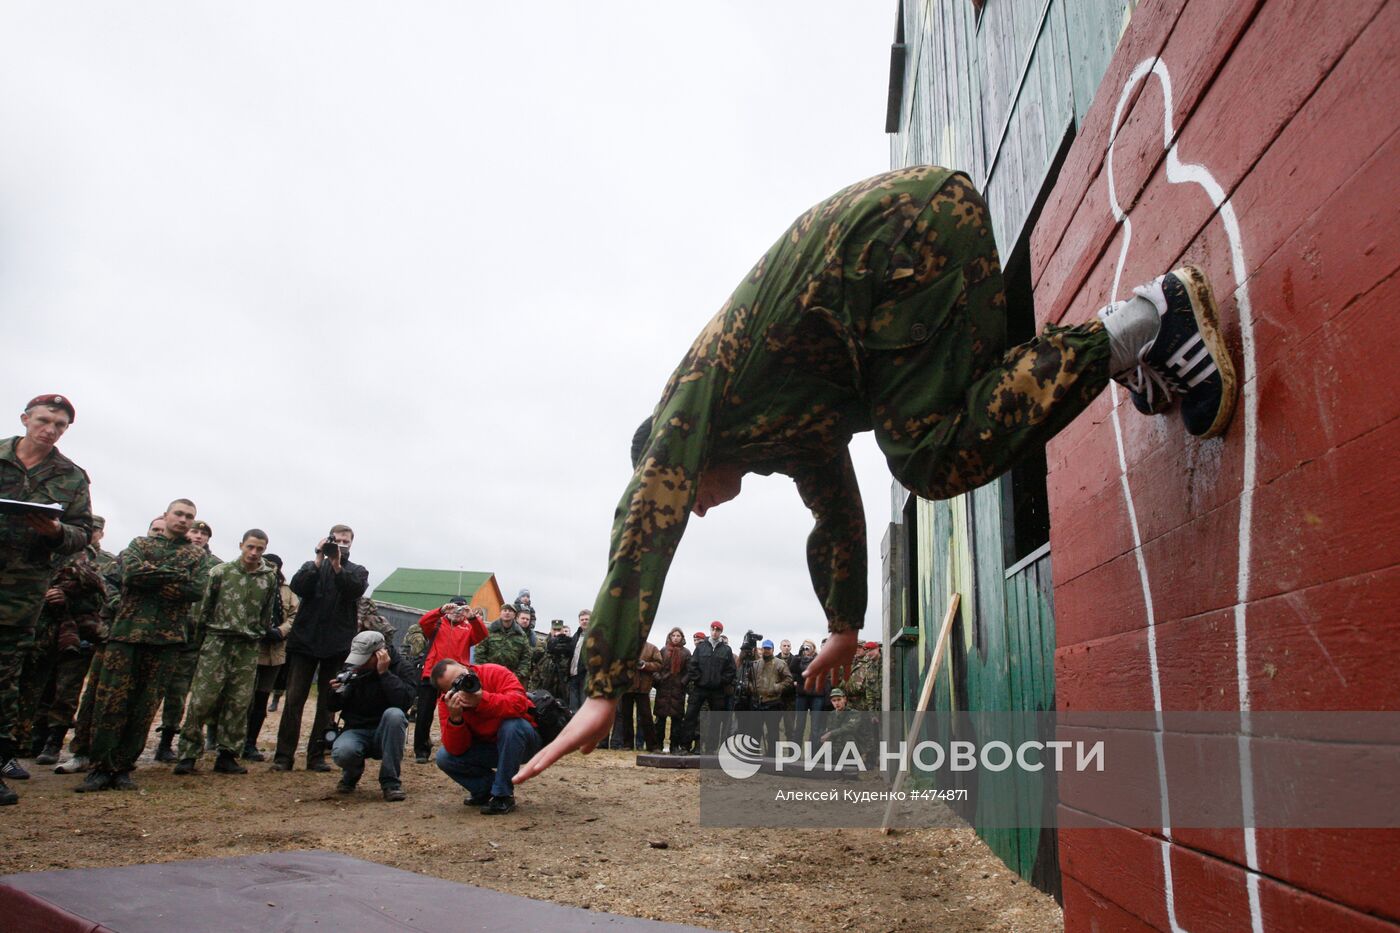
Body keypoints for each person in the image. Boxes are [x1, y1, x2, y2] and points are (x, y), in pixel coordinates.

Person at [516, 167, 1235, 782]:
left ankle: (1146, 320)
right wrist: (842, 622)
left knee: (927, 453)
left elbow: (649, 509)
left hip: (895, 245)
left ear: (683, 456)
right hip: (921, 233)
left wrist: (604, 685)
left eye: (691, 492)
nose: (697, 509)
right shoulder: (783, 425)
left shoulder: (693, 397)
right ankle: (1130, 341)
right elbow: (835, 510)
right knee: (966, 405)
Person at [0, 394, 92, 805]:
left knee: (3, 682)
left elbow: (82, 532)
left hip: (19, 595)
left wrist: (56, 533)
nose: (50, 429)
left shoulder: (71, 477)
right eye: (44, 420)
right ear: (25, 419)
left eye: (59, 424)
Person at [77, 499, 205, 793]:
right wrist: (175, 576)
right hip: (127, 635)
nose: (184, 520)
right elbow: (131, 574)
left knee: (144, 706)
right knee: (111, 703)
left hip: (166, 640)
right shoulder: (139, 545)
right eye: (179, 514)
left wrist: (153, 578)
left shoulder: (195, 555)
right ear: (166, 516)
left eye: (190, 516)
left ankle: (123, 767)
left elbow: (195, 589)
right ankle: (100, 767)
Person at [172, 530, 279, 776]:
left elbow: (266, 612)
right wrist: (201, 644)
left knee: (239, 702)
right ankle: (188, 754)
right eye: (250, 547)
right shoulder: (221, 572)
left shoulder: (268, 578)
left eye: (259, 549)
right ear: (241, 545)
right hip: (217, 641)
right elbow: (203, 609)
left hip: (247, 646)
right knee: (202, 699)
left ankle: (227, 754)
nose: (254, 553)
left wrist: (259, 634)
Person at [272, 524, 368, 772]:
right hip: (305, 642)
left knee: (327, 703)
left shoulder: (357, 571)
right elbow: (298, 587)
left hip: (336, 645)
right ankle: (283, 756)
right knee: (294, 699)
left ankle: (316, 756)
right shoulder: (310, 567)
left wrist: (336, 565)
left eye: (346, 541)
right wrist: (318, 557)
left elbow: (353, 590)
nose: (341, 544)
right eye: (337, 540)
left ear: (351, 544)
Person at [431, 658, 539, 815]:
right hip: (491, 748)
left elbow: (520, 704)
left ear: (465, 666)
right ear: (447, 692)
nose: (466, 683)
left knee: (512, 726)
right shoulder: (448, 703)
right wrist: (456, 719)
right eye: (457, 684)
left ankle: (503, 795)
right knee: (444, 757)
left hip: (523, 742)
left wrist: (483, 700)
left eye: (464, 675)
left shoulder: (494, 672)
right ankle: (485, 789)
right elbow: (456, 749)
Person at [154, 519, 220, 763]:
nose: (199, 536)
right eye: (195, 531)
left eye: (204, 534)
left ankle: (167, 742)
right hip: (160, 634)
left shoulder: (216, 567)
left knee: (179, 693)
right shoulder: (171, 556)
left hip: (193, 641)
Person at [326, 630, 413, 801]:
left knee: (394, 715)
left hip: (386, 733)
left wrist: (385, 674)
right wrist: (335, 692)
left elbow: (404, 703)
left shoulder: (402, 668)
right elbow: (333, 706)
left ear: (381, 654)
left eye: (365, 658)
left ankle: (390, 783)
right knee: (343, 752)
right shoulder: (352, 667)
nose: (361, 663)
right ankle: (352, 774)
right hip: (356, 730)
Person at [410, 599, 488, 764]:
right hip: (431, 672)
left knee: (461, 710)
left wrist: (472, 617)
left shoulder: (468, 627)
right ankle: (421, 750)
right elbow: (423, 622)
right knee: (424, 713)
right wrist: (440, 610)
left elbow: (482, 635)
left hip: (457, 676)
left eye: (460, 608)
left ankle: (460, 745)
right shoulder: (437, 624)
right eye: (453, 608)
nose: (456, 612)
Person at [243, 553, 296, 761]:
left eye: (274, 566)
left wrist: (281, 631)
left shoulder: (287, 591)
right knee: (240, 698)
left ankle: (250, 743)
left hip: (274, 652)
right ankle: (227, 740)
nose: (270, 568)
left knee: (261, 699)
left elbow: (294, 615)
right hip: (249, 648)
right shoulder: (249, 583)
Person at [681, 621, 736, 754]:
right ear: (710, 630)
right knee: (690, 716)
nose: (715, 632)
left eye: (718, 630)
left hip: (717, 691)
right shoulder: (701, 647)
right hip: (700, 688)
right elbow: (693, 665)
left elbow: (731, 670)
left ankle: (711, 749)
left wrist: (720, 681)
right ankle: (685, 746)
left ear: (721, 632)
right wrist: (699, 679)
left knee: (716, 720)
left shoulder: (726, 650)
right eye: (713, 629)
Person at [612, 638, 661, 751]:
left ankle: (652, 746)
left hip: (643, 688)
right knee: (626, 716)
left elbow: (659, 665)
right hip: (627, 687)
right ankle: (627, 744)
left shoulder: (652, 648)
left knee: (646, 717)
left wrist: (645, 665)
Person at [748, 639, 794, 754]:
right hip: (757, 702)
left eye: (768, 648)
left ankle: (772, 756)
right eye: (764, 648)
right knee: (755, 730)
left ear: (773, 649)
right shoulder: (755, 664)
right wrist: (751, 687)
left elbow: (789, 679)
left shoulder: (780, 663)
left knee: (773, 731)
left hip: (773, 702)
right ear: (761, 649)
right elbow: (747, 679)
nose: (766, 651)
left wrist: (777, 687)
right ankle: (753, 754)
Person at [653, 627, 691, 753]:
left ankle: (675, 746)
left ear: (682, 638)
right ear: (670, 637)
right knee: (660, 720)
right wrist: (658, 679)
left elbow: (689, 671)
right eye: (673, 635)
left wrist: (682, 682)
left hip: (677, 691)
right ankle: (658, 745)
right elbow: (656, 667)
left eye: (678, 636)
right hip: (663, 689)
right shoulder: (663, 650)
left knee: (677, 721)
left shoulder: (686, 653)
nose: (675, 638)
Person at [475, 603, 532, 684]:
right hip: (489, 676)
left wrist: (517, 676)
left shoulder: (521, 635)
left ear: (514, 615)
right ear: (500, 613)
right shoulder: (489, 630)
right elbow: (479, 653)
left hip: (510, 678)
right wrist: (484, 671)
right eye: (504, 610)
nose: (507, 613)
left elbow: (526, 658)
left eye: (510, 611)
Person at [790, 639, 828, 743]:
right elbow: (792, 668)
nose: (806, 649)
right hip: (802, 695)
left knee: (815, 727)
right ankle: (795, 755)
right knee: (799, 725)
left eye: (808, 647)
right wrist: (799, 654)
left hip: (816, 695)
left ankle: (813, 755)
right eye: (804, 647)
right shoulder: (798, 659)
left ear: (814, 649)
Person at [840, 641, 883, 713]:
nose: (856, 649)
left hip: (864, 703)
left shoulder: (870, 662)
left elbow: (865, 687)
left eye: (859, 647)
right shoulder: (850, 663)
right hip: (849, 703)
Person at [565, 610, 590, 713]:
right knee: (573, 708)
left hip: (586, 676)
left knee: (585, 707)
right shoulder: (576, 635)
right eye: (582, 619)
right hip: (573, 675)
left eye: (587, 619)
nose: (584, 621)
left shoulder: (595, 635)